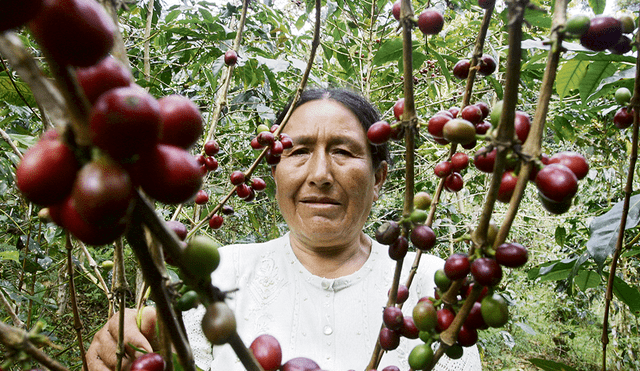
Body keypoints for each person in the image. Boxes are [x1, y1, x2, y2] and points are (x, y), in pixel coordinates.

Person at [87, 88, 482, 370]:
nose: (321, 174)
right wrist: (128, 332)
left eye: (343, 151)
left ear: (378, 179)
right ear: (274, 172)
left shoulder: (432, 285)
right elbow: (164, 338)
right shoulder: (223, 273)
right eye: (299, 152)